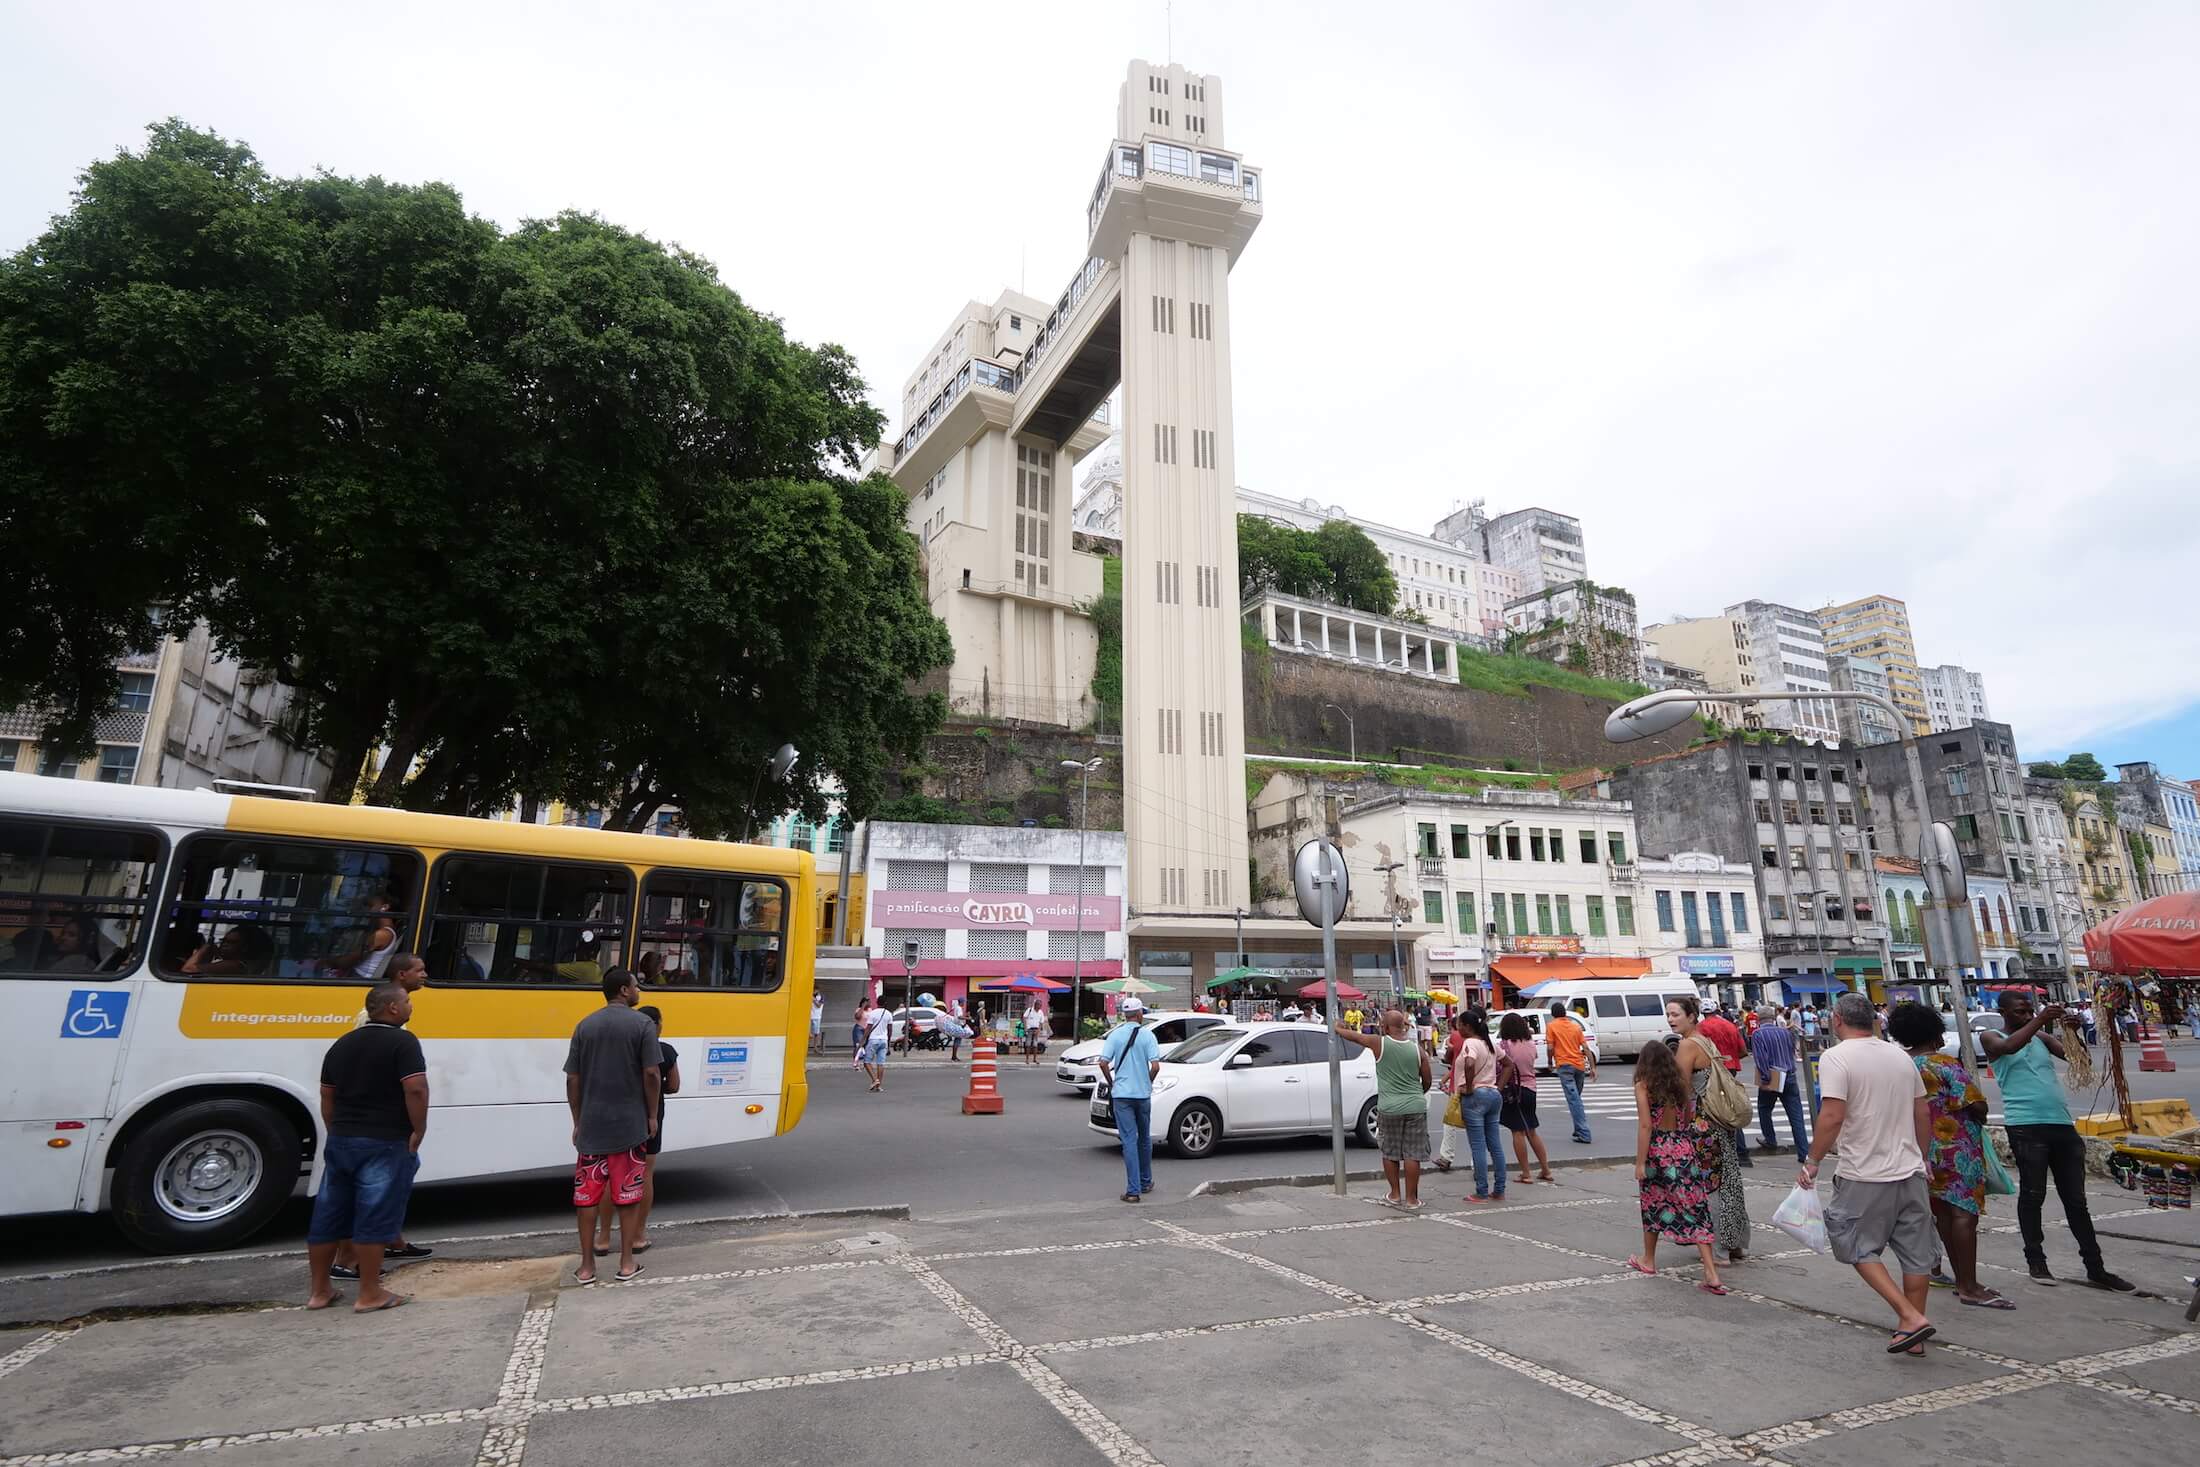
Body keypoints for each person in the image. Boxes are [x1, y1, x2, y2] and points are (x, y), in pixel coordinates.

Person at [1800, 992, 1939, 1355]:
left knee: (1855, 1245)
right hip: (1909, 1171)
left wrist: (1813, 1160)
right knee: (1916, 1253)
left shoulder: (1836, 1057)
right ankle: (1912, 1335)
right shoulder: (1900, 1056)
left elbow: (1832, 1115)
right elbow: (1922, 1114)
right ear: (1874, 1020)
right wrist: (1922, 1158)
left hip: (1864, 1172)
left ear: (1837, 1019)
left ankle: (1909, 1317)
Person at [1981, 991, 2136, 1291]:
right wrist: (2040, 1020)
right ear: (2003, 1012)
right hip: (2026, 1125)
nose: (2026, 1016)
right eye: (2019, 1012)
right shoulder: (1992, 1036)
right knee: (2033, 1194)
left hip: (2061, 1123)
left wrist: (2072, 1032)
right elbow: (2008, 1047)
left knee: (2076, 1201)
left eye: (2029, 1011)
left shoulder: (2041, 1039)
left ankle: (2096, 1267)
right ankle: (2036, 1261)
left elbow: (2080, 1059)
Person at [305, 980, 427, 1313]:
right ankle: (370, 1293)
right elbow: (415, 1088)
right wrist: (419, 1129)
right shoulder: (403, 1043)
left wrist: (336, 1131)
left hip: (343, 1139)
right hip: (384, 1140)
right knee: (375, 1214)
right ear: (392, 1008)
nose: (410, 1006)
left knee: (329, 1214)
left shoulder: (342, 1044)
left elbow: (327, 1096)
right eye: (406, 1002)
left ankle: (319, 1292)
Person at [1886, 1002, 2011, 1311]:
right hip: (1956, 1149)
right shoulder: (1944, 1065)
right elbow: (1977, 1106)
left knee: (1943, 1215)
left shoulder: (1899, 1065)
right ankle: (1968, 1285)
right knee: (1964, 1216)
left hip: (1919, 1150)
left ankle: (1961, 1279)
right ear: (1936, 1033)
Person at [331, 954, 434, 1281]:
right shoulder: (374, 1021)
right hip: (376, 1123)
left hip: (381, 1119)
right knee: (369, 1188)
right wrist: (417, 1125)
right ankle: (346, 1258)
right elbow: (371, 1068)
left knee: (398, 1178)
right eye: (419, 971)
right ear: (401, 976)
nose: (424, 975)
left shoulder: (391, 1019)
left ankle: (391, 1238)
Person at [564, 968, 661, 1285]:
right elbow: (651, 1074)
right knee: (628, 1193)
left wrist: (578, 1120)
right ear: (623, 990)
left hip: (592, 1126)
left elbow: (573, 1078)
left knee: (587, 1197)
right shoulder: (643, 1024)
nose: (638, 991)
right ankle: (627, 1263)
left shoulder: (585, 1025)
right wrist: (651, 1115)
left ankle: (587, 1267)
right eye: (635, 986)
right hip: (629, 1126)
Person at [1629, 1034, 1725, 1294]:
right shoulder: (1680, 1086)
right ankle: (1710, 1271)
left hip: (1658, 1151)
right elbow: (1688, 1117)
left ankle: (1648, 1259)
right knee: (1695, 1206)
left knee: (1653, 1203)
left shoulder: (1643, 1085)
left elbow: (1646, 1125)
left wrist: (1640, 1162)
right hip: (1684, 1149)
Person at [594, 1004, 678, 1258]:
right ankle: (638, 1236)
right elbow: (672, 1086)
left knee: (610, 1175)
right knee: (644, 1174)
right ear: (659, 1025)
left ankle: (603, 1238)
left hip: (617, 1115)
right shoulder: (665, 1051)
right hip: (649, 1119)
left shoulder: (619, 1050)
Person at [1668, 996, 1748, 1260]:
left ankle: (1716, 1248)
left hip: (1701, 1122)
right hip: (1718, 1120)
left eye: (1675, 1014)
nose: (1670, 1019)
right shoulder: (1705, 1040)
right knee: (1728, 1181)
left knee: (1707, 1185)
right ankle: (1733, 1243)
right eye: (1668, 1015)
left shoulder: (1687, 1045)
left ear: (1691, 1016)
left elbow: (1679, 1088)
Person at [1332, 1008, 1431, 1208]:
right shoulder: (1418, 1050)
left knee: (1390, 1152)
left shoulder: (1380, 1043)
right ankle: (1412, 1199)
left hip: (1389, 1107)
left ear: (1385, 1027)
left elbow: (1357, 1038)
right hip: (1415, 1106)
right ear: (1404, 1026)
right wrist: (1415, 1094)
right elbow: (1427, 1080)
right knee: (1413, 1154)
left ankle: (1395, 1194)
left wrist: (1338, 1028)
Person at [1097, 997, 1164, 1202]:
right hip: (1142, 1095)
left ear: (1124, 1015)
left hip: (1122, 1095)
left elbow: (1103, 1063)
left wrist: (1112, 1082)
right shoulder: (1148, 1036)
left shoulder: (1115, 1036)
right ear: (1140, 1014)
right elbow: (1155, 1066)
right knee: (1144, 1139)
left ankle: (1133, 1190)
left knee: (1128, 1141)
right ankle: (1145, 1181)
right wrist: (1147, 1082)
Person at [1452, 1010, 1507, 1203]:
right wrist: (1498, 1087)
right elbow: (1508, 1064)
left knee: (1478, 1145)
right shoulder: (1489, 1041)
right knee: (1495, 1145)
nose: (1458, 1028)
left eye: (1459, 1024)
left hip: (1475, 1097)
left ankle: (1481, 1190)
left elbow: (1469, 1064)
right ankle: (1499, 1189)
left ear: (1467, 1026)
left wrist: (1468, 1087)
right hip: (1493, 1094)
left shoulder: (1470, 1043)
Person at [1497, 1012, 1552, 1184]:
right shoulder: (1530, 1043)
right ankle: (1545, 1169)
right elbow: (1533, 1060)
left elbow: (1502, 1066)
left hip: (1515, 1090)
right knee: (1532, 1131)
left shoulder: (1505, 1045)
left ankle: (1526, 1173)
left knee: (1517, 1132)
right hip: (1531, 1089)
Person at [1696, 1004, 1752, 1167]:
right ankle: (1742, 1152)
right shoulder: (1730, 1025)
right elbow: (1742, 1050)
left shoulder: (1701, 1028)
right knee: (1732, 1107)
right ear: (1718, 1011)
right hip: (1731, 1068)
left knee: (1716, 1111)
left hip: (1712, 1070)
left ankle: (1727, 1152)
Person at [1751, 1003, 1809, 1159]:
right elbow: (1792, 1051)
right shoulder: (1785, 1032)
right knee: (1796, 1116)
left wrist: (1765, 1078)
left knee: (1764, 1108)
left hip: (1772, 1075)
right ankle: (1803, 1152)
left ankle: (1770, 1139)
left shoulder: (1758, 1034)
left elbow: (1761, 1058)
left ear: (1759, 1019)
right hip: (1789, 1074)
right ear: (1773, 1018)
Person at [1547, 1001, 1596, 1144]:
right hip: (1579, 1066)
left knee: (1574, 1100)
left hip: (1564, 1065)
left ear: (1553, 1014)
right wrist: (1593, 1067)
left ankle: (1584, 1133)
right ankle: (1578, 1129)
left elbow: (1550, 1047)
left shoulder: (1551, 1026)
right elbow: (1586, 1048)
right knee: (1576, 1099)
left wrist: (1550, 1062)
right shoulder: (1575, 1027)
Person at [1428, 1013, 1469, 1173]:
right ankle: (1477, 1163)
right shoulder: (1481, 1041)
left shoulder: (1455, 1036)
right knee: (1475, 1127)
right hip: (1474, 1086)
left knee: (1450, 1123)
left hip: (1457, 1085)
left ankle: (1446, 1157)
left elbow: (1451, 1060)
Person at [325, 892, 398, 981]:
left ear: (384, 907)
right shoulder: (386, 931)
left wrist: (328, 962)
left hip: (359, 976)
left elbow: (349, 961)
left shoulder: (382, 934)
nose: (367, 910)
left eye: (370, 906)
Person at [861, 996, 893, 1091]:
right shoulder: (888, 1014)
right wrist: (888, 1041)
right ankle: (879, 1086)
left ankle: (875, 1080)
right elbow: (890, 1029)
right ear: (885, 1003)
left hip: (873, 1040)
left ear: (877, 1002)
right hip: (883, 1040)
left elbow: (868, 1028)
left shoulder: (873, 1013)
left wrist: (863, 1040)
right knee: (881, 1063)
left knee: (867, 1062)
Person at [810, 990, 825, 1055]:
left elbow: (819, 1005)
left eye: (815, 990)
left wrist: (813, 1000)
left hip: (817, 1017)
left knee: (816, 1033)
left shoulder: (821, 997)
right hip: (809, 1016)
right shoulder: (809, 996)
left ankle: (815, 1048)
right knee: (808, 1033)